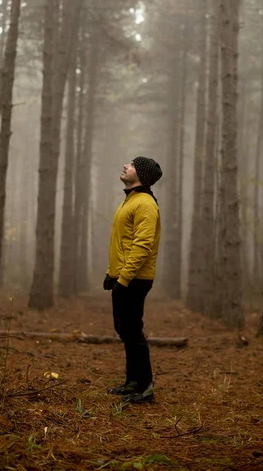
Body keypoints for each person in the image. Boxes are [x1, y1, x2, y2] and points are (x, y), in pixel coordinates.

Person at [103, 156, 163, 404]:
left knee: (132, 330)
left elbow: (142, 246)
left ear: (142, 175)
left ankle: (145, 387)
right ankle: (132, 383)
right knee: (124, 329)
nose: (126, 165)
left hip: (135, 278)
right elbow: (122, 242)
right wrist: (111, 273)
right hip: (125, 276)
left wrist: (124, 279)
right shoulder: (131, 200)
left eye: (132, 164)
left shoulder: (145, 203)